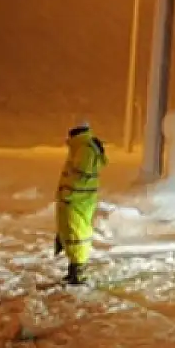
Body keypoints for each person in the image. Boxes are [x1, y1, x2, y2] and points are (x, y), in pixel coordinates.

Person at [54, 120, 107, 285]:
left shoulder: (84, 149)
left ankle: (78, 270)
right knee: (72, 232)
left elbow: (80, 177)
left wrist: (67, 194)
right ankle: (74, 269)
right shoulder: (82, 147)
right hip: (76, 199)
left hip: (76, 199)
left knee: (77, 233)